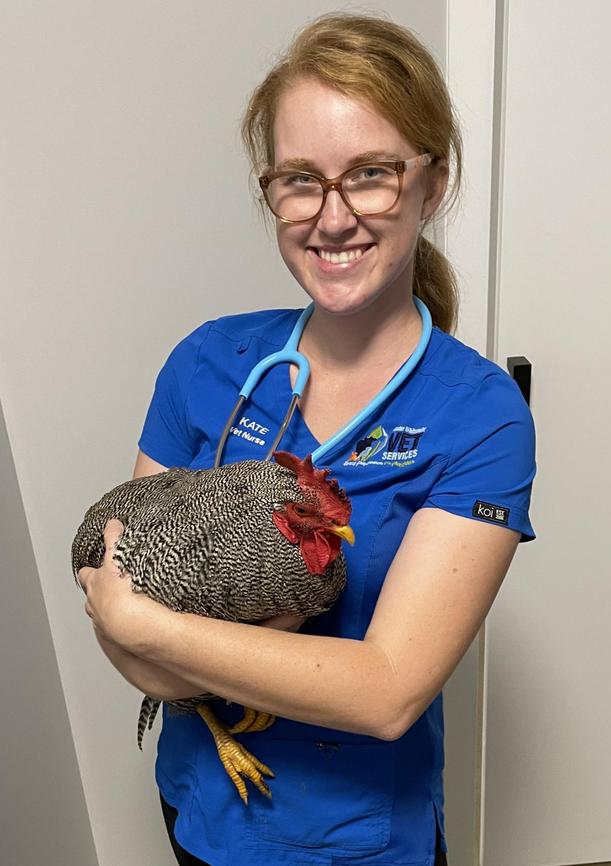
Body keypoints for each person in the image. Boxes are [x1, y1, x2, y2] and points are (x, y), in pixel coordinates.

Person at [77, 12, 536, 866]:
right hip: (202, 812)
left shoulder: (484, 417)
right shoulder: (207, 363)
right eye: (300, 179)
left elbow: (386, 694)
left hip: (360, 843)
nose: (333, 217)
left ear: (431, 186)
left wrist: (153, 627)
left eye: (371, 175)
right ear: (271, 193)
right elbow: (124, 621)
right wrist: (142, 627)